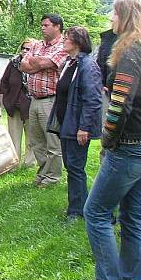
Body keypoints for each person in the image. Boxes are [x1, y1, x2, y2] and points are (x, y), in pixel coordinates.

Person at [81, 0, 141, 280]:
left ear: (126, 17)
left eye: (114, 14)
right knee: (134, 217)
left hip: (130, 147)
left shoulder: (130, 52)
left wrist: (107, 140)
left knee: (95, 212)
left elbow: (119, 105)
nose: (110, 18)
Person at [46, 27, 101, 221]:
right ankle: (79, 206)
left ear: (77, 42)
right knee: (71, 166)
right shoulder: (70, 63)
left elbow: (93, 100)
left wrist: (84, 127)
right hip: (65, 124)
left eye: (67, 38)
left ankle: (78, 211)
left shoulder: (88, 66)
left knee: (76, 168)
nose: (63, 41)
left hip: (77, 127)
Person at [20, 13, 68, 187]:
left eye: (46, 25)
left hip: (51, 100)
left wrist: (35, 62)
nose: (42, 28)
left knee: (52, 141)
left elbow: (45, 63)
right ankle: (42, 173)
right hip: (34, 98)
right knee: (36, 140)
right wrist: (36, 62)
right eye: (42, 25)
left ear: (57, 27)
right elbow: (23, 65)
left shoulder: (64, 46)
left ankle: (52, 177)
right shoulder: (36, 45)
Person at [0, 38, 37, 168]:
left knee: (31, 137)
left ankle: (29, 162)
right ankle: (13, 163)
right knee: (13, 136)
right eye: (24, 48)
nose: (25, 51)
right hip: (14, 105)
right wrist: (8, 100)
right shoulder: (13, 63)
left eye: (29, 49)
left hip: (31, 105)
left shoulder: (37, 64)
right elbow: (4, 82)